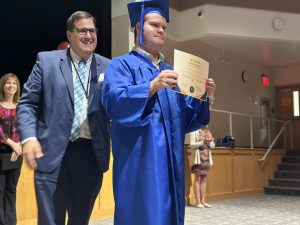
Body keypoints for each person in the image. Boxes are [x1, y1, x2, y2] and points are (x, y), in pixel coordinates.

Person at [101, 0, 216, 224]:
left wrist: (203, 96)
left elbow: (187, 119)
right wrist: (151, 87)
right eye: (155, 25)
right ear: (137, 28)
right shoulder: (121, 65)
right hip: (140, 160)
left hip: (172, 160)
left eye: (164, 27)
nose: (161, 30)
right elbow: (114, 103)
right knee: (143, 213)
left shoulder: (171, 71)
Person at [17, 11, 110, 225]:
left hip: (91, 155)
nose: (89, 35)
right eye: (82, 30)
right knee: (51, 220)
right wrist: (29, 138)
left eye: (92, 30)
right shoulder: (46, 61)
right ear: (69, 35)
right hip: (52, 154)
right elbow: (27, 103)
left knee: (80, 221)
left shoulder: (109, 67)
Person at [0, 73, 22, 225]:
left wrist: (18, 145)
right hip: (1, 152)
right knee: (0, 191)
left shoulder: (21, 105)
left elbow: (26, 127)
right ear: (3, 85)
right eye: (8, 83)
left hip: (17, 154)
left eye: (14, 83)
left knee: (11, 190)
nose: (11, 86)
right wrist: (11, 143)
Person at [185, 127, 215, 208]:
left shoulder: (207, 131)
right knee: (197, 179)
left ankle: (203, 201)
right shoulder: (193, 131)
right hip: (198, 159)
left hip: (206, 159)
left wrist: (209, 141)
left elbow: (212, 146)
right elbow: (192, 145)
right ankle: (198, 202)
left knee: (204, 179)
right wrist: (203, 142)